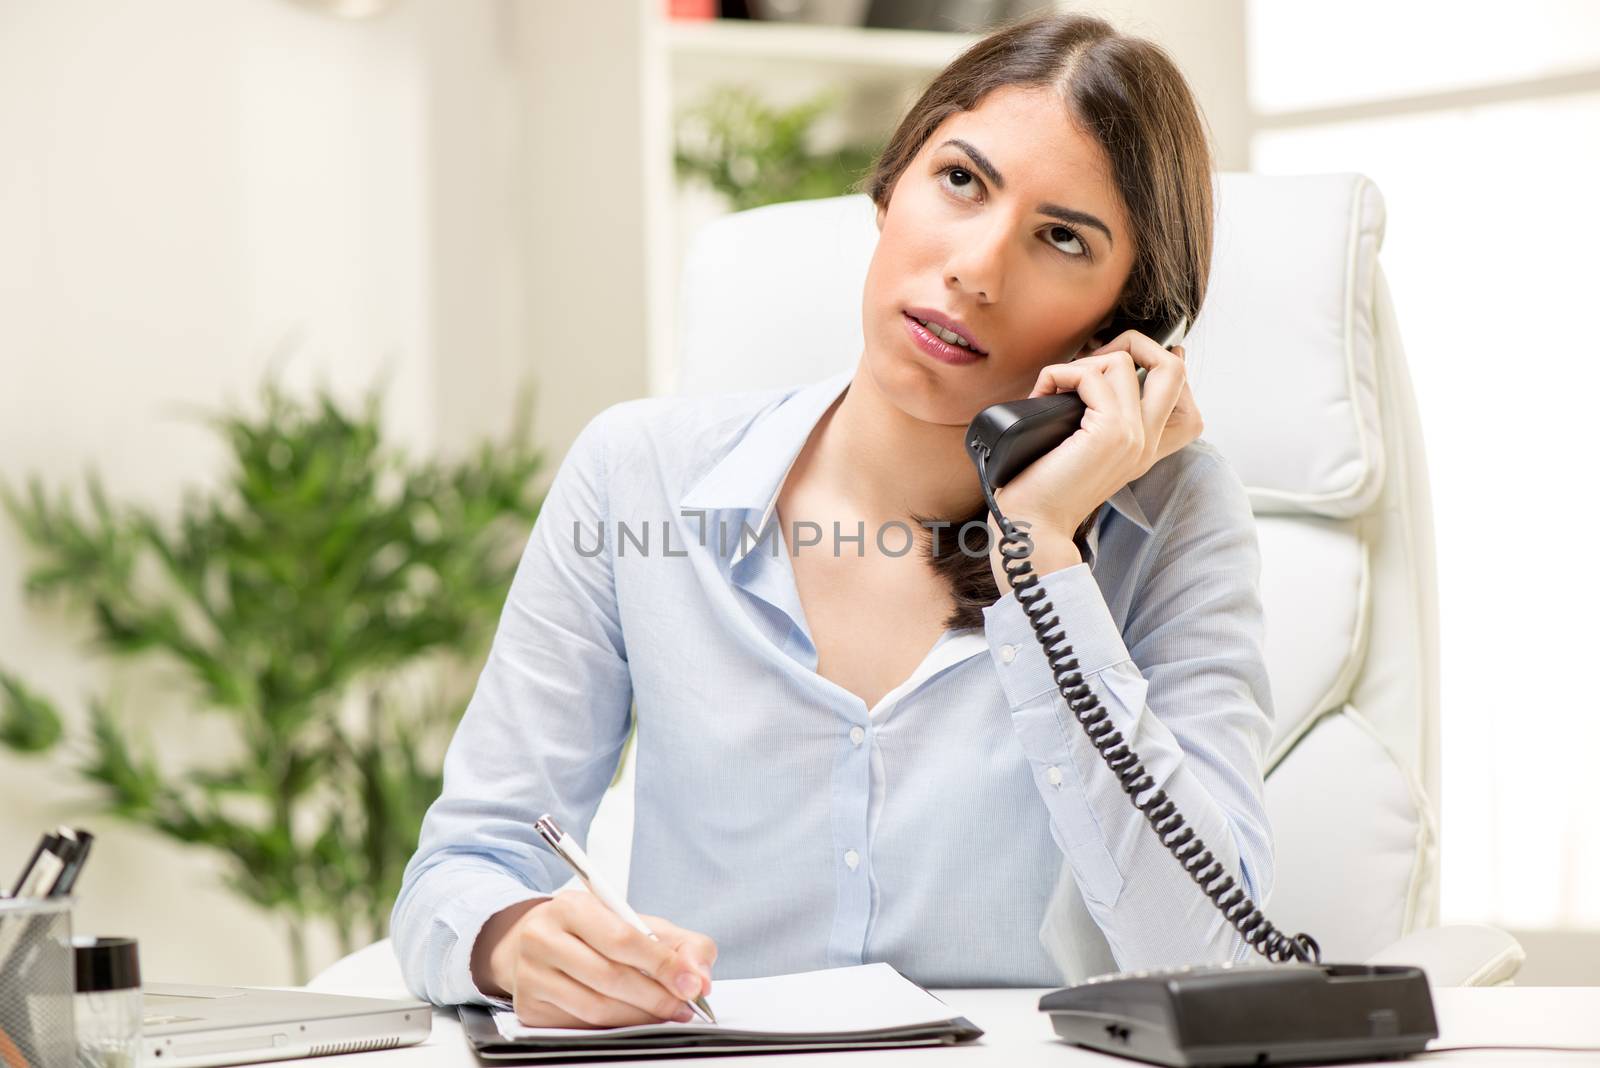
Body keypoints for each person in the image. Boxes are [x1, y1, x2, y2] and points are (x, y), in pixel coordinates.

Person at [391, 9, 1275, 1029]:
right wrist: (513, 941)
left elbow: (1212, 965)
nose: (977, 269)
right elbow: (462, 866)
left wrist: (1041, 556)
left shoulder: (1173, 521)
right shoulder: (637, 475)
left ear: (1122, 325)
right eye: (960, 181)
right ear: (891, 183)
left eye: (1062, 238)